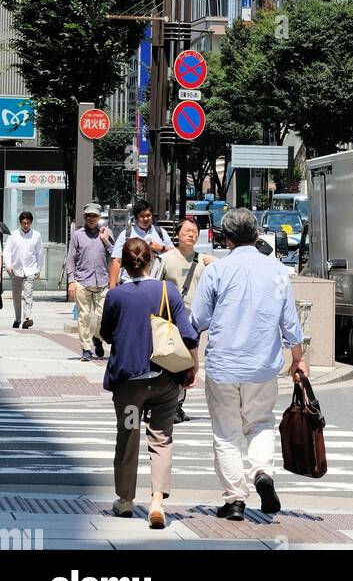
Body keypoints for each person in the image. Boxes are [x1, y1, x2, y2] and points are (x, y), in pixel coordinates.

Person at [191, 207, 307, 521]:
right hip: (262, 365)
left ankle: (234, 500)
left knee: (227, 433)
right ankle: (262, 473)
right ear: (256, 236)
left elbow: (198, 319)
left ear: (225, 239)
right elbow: (291, 324)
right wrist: (298, 359)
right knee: (260, 422)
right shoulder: (277, 271)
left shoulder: (216, 271)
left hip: (223, 364)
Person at [99, 238, 199, 529]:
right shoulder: (167, 291)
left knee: (128, 436)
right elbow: (189, 335)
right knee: (161, 437)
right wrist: (192, 367)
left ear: (125, 265)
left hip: (129, 383)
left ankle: (126, 500)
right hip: (165, 380)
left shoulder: (116, 296)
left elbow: (106, 334)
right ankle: (157, 500)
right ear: (151, 262)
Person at [155, 215, 214, 422]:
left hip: (192, 323)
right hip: (169, 321)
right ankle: (165, 405)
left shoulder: (203, 262)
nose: (191, 235)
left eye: (194, 232)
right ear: (177, 235)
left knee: (187, 365)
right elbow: (154, 286)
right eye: (186, 231)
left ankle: (177, 406)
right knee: (168, 363)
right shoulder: (165, 259)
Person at [67, 203, 113, 360]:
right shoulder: (77, 235)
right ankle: (86, 348)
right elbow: (71, 259)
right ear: (84, 217)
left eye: (94, 216)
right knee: (84, 316)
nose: (91, 218)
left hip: (102, 281)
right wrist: (71, 281)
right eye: (88, 216)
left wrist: (106, 240)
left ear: (99, 217)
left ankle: (97, 338)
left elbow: (115, 255)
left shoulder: (106, 233)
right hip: (82, 281)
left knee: (102, 317)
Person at [109, 199, 171, 288]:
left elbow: (174, 253)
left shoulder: (161, 232)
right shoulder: (126, 234)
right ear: (135, 217)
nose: (145, 219)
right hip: (129, 284)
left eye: (148, 215)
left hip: (155, 285)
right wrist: (112, 287)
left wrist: (161, 248)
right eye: (142, 216)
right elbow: (117, 261)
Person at [5, 211, 44, 329]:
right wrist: (8, 264)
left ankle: (26, 318)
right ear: (20, 222)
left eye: (28, 223)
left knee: (28, 294)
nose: (25, 225)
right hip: (16, 269)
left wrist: (39, 268)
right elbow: (7, 251)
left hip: (31, 269)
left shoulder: (36, 235)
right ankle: (17, 319)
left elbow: (40, 253)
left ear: (31, 222)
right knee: (16, 295)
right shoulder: (13, 235)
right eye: (23, 223)